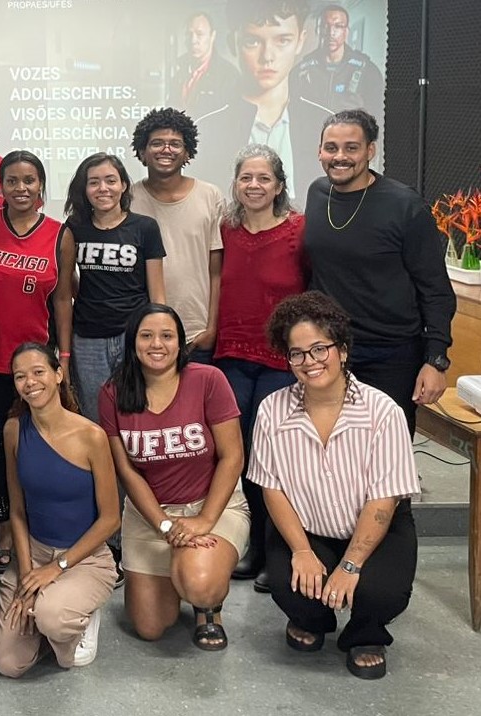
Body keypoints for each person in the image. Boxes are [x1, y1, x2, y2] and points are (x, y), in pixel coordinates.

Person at [250, 291, 419, 680]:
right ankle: (312, 620)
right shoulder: (272, 410)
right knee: (291, 584)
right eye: (298, 353)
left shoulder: (383, 411)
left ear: (342, 350)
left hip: (376, 529)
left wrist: (350, 564)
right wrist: (302, 551)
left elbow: (384, 498)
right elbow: (272, 489)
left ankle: (366, 633)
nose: (310, 362)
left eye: (320, 348)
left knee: (380, 593)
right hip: (308, 528)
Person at [99, 304, 248, 650]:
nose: (157, 344)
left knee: (200, 582)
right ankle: (182, 569)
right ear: (133, 342)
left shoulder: (208, 380)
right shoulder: (113, 392)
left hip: (212, 505)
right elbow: (127, 470)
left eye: (167, 336)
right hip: (150, 513)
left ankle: (205, 604)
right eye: (146, 335)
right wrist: (166, 526)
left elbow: (232, 456)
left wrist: (205, 519)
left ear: (180, 343)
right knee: (150, 627)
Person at [303, 109, 455, 436]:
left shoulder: (405, 207)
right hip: (328, 349)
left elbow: (436, 290)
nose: (340, 156)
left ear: (370, 151)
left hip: (392, 354)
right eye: (331, 147)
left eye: (351, 147)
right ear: (319, 152)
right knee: (329, 451)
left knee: (387, 454)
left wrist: (436, 360)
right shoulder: (316, 194)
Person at [0, 343, 120, 674]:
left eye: (38, 372)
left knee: (56, 626)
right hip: (34, 551)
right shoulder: (14, 430)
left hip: (83, 558)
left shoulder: (92, 436)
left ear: (58, 375)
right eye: (20, 376)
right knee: (8, 663)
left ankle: (77, 614)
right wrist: (28, 575)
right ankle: (52, 613)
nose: (30, 382)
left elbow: (110, 519)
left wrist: (56, 568)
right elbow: (17, 510)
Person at [214, 144, 307, 590]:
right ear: (236, 183)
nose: (254, 186)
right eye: (246, 178)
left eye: (263, 178)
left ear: (279, 185)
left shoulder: (299, 231)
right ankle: (250, 545)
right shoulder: (225, 230)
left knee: (277, 458)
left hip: (281, 362)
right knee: (241, 454)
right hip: (231, 357)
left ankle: (279, 551)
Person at [0, 150, 63, 572]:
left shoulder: (60, 234)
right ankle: (5, 525)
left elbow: (63, 299)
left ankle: (40, 526)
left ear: (41, 185)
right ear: (0, 185)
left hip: (37, 366)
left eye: (29, 180)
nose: (21, 188)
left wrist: (63, 355)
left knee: (36, 445)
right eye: (12, 180)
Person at [54, 153, 166, 422]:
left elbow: (157, 294)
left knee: (139, 415)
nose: (103, 188)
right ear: (85, 189)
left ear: (124, 185)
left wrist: (159, 337)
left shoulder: (145, 227)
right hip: (88, 340)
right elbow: (65, 289)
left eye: (110, 180)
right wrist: (65, 354)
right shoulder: (74, 228)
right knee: (96, 418)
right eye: (94, 182)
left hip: (134, 337)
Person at [196, 1, 333, 207]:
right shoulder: (207, 128)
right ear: (234, 42)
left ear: (300, 41)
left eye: (282, 40)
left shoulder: (324, 124)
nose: (268, 56)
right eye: (252, 41)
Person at [129, 108, 226, 363]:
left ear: (187, 152)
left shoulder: (210, 196)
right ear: (142, 151)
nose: (166, 150)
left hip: (197, 331)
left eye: (175, 144)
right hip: (146, 334)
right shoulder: (127, 199)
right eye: (157, 143)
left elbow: (216, 271)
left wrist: (211, 328)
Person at [294, 4, 386, 114]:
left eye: (338, 26)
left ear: (346, 32)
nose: (331, 32)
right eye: (325, 26)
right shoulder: (301, 72)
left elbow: (379, 119)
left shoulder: (368, 71)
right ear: (317, 30)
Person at [169, 12, 239, 115]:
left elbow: (233, 119)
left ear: (212, 36)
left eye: (199, 34)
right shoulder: (180, 73)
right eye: (189, 34)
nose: (193, 40)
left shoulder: (228, 75)